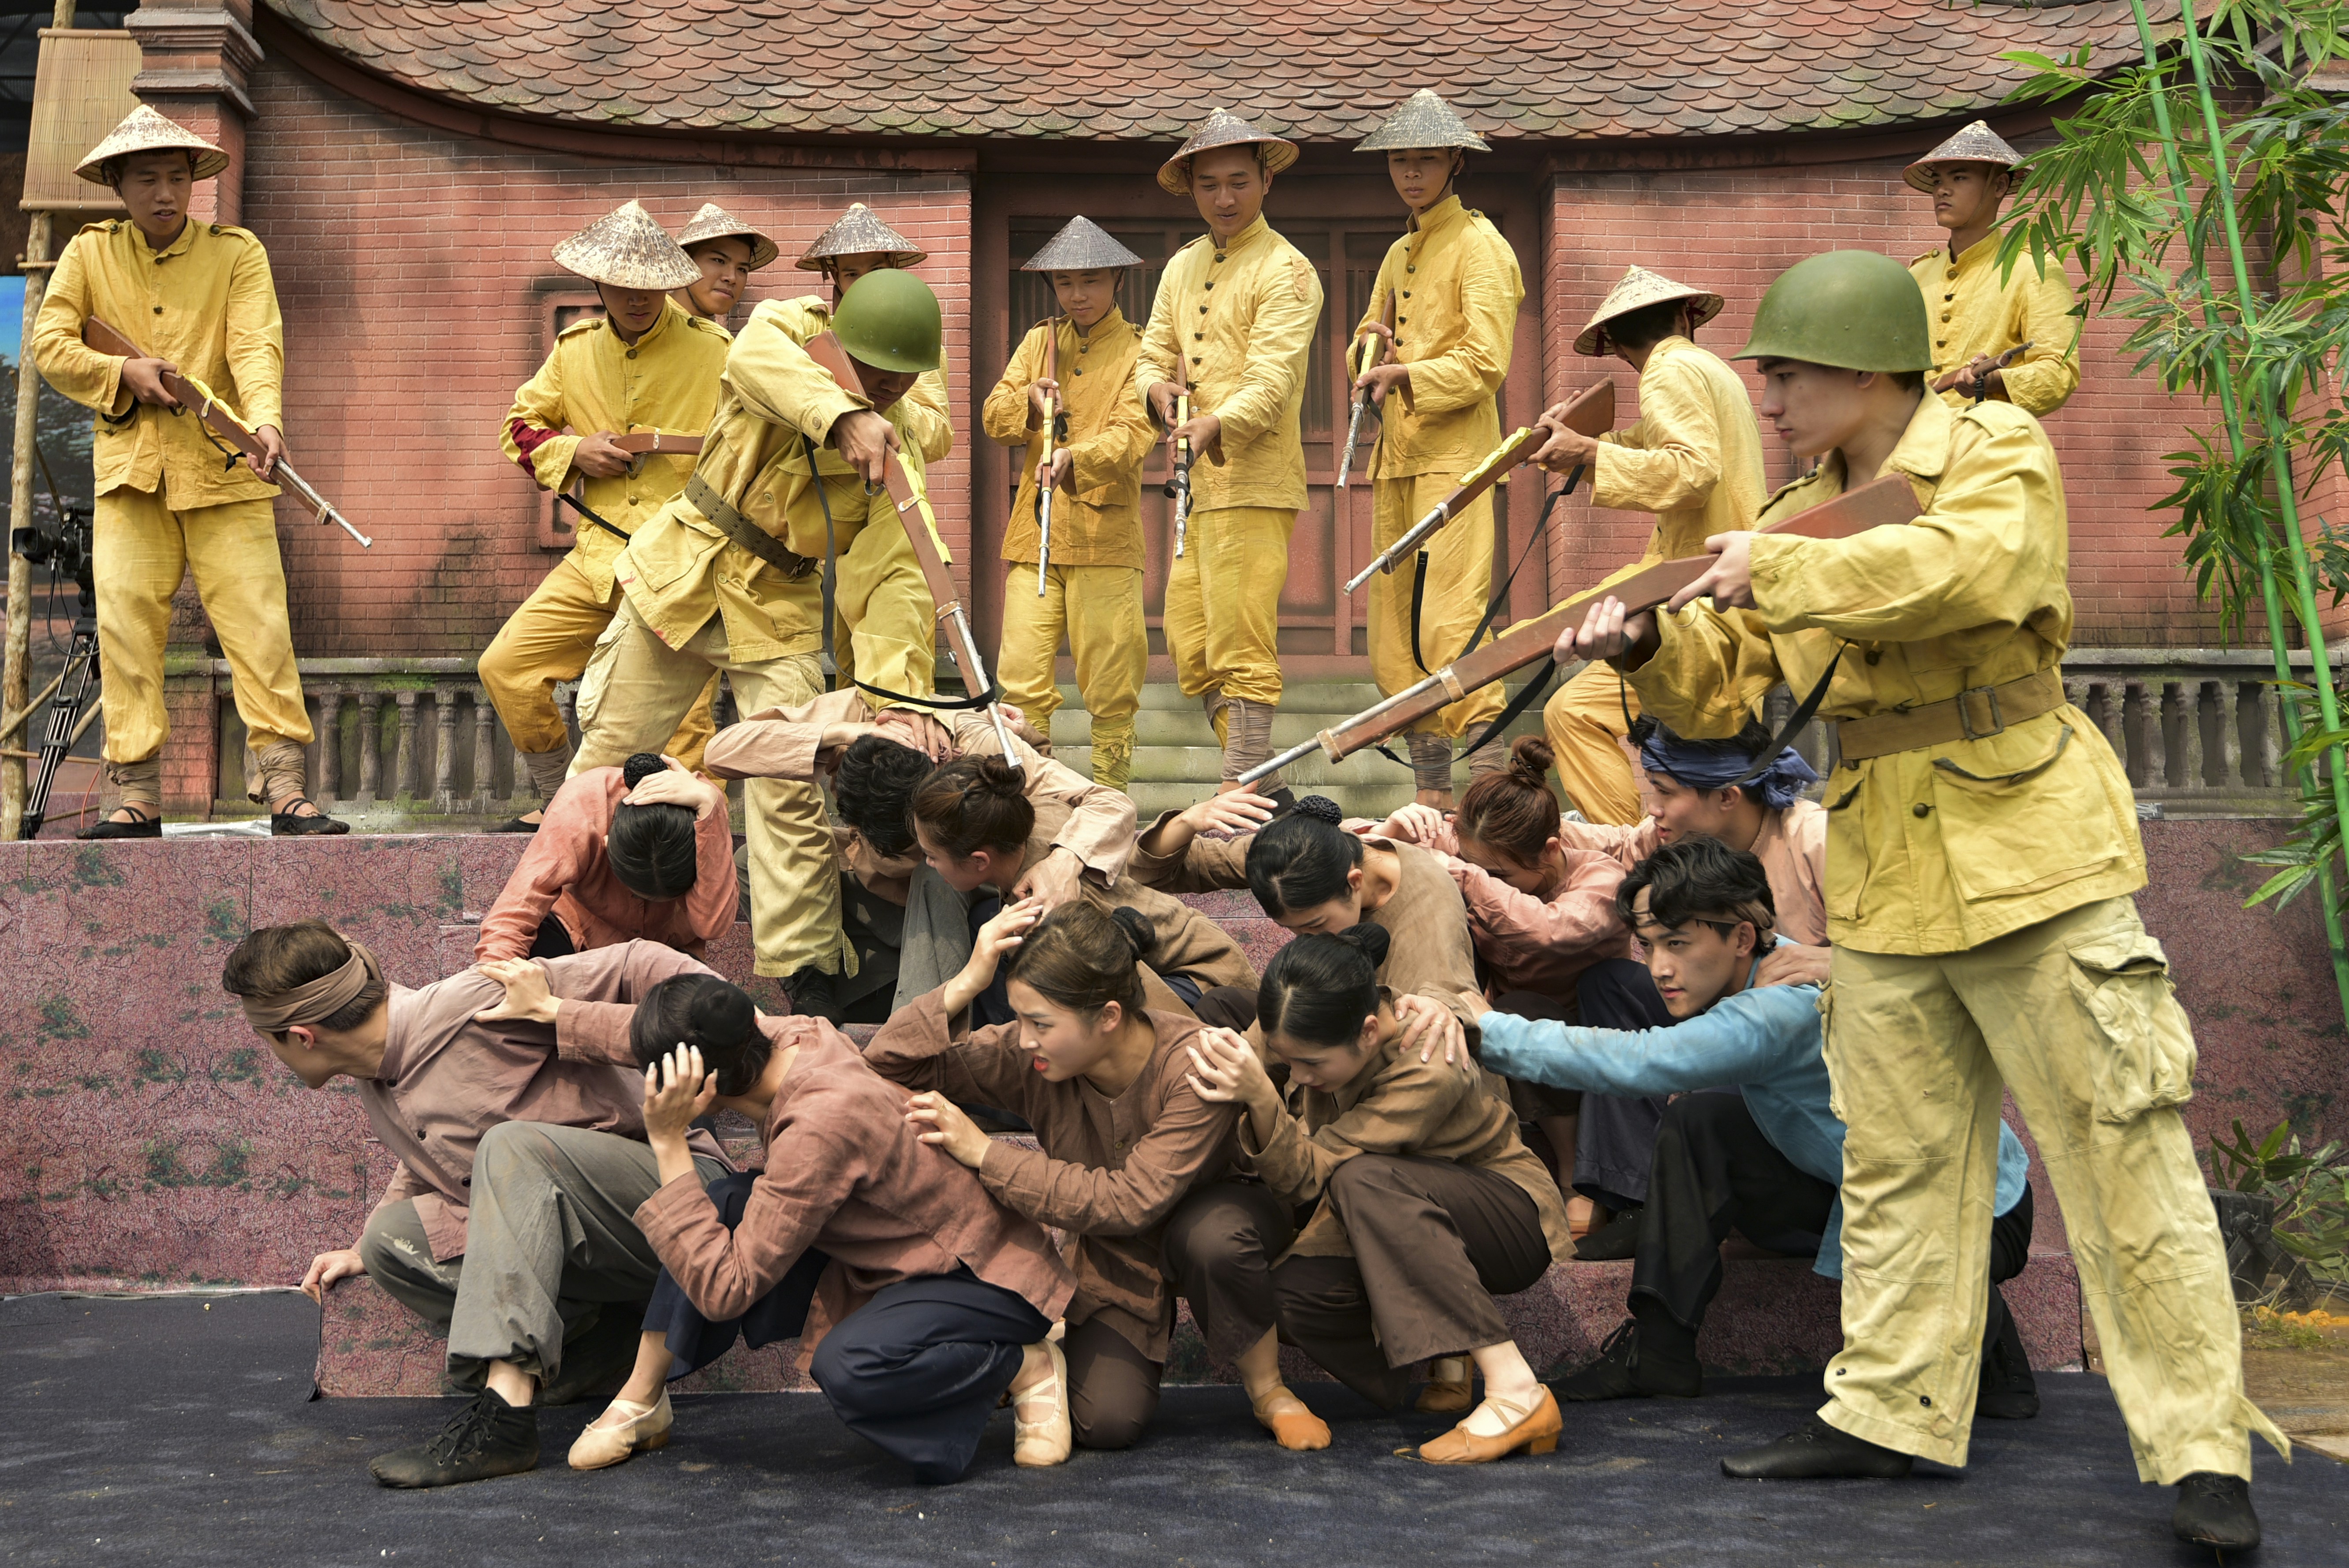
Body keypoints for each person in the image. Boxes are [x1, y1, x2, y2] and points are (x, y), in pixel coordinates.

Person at [1557, 249, 2280, 1549]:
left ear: (1867, 368)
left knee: (2121, 1150)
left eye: (1787, 373)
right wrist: (1648, 642)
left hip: (2029, 850)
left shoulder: (1991, 451)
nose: (1765, 398)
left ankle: (2198, 1448)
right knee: (1892, 1161)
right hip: (1885, 867)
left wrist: (1773, 569)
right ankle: (1887, 1412)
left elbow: (1965, 571)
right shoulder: (1794, 508)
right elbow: (1725, 690)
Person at [1478, 837, 2037, 1424]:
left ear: (1741, 937)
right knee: (1700, 1121)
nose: (1658, 967)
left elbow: (1639, 1061)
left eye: (1677, 943)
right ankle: (1658, 1355)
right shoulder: (1775, 962)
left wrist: (1481, 1030)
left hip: (1976, 1216)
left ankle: (1983, 1332)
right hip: (1857, 1189)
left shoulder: (1778, 1005)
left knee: (1711, 1118)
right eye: (1648, 945)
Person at [217, 922, 730, 1486]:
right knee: (390, 1241)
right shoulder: (378, 1072)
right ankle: (605, 1345)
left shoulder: (473, 1002)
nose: (273, 1055)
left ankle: (504, 1419)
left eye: (267, 1042)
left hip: (683, 1199)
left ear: (302, 1035)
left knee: (511, 1147)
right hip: (599, 1248)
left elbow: (637, 960)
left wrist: (744, 1024)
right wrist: (363, 1245)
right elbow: (430, 1151)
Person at [568, 269, 951, 1015]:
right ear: (840, 336)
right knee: (609, 754)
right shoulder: (785, 328)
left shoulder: (892, 447)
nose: (887, 390)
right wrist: (840, 415)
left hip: (778, 603)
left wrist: (896, 703)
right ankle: (561, 920)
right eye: (873, 371)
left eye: (903, 379)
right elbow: (753, 361)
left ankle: (807, 972)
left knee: (791, 784)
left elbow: (897, 580)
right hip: (683, 566)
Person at [570, 974, 1077, 1483]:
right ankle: (642, 1398)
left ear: (696, 1084)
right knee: (725, 1202)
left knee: (851, 1365)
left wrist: (668, 1142)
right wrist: (549, 1010)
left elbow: (726, 1289)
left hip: (983, 1275)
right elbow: (653, 1031)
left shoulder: (818, 1126)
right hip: (891, 1256)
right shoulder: (792, 1033)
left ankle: (1023, 1365)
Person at [31, 106, 342, 838]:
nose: (165, 192)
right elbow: (50, 343)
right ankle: (136, 793)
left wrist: (265, 424)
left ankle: (285, 787)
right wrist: (122, 372)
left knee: (259, 625)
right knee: (126, 628)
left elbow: (256, 346)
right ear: (118, 184)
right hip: (130, 475)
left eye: (177, 176)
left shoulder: (236, 253)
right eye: (147, 178)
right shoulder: (89, 254)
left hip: (226, 469)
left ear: (195, 180)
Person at [863, 900, 1241, 1450]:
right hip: (1115, 1261)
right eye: (1019, 1019)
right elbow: (884, 1064)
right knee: (1104, 1424)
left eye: (1039, 1023)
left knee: (1215, 1240)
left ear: (1108, 1016)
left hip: (1215, 1242)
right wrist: (967, 981)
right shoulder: (1033, 1058)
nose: (1023, 1038)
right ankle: (1051, 1346)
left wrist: (985, 1154)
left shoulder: (1192, 1064)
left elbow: (1131, 1201)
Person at [1184, 925, 1572, 1460]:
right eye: (1287, 1061)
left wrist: (1261, 1098)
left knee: (1360, 1176)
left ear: (1369, 1031)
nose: (1296, 1075)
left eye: (1312, 1064)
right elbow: (1247, 1054)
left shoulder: (1426, 1061)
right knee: (1283, 1300)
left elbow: (1309, 1174)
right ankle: (1440, 1344)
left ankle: (1516, 1391)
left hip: (1504, 1219)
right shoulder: (1308, 1015)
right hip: (1387, 1220)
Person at [485, 202, 729, 825]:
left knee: (683, 721)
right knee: (507, 668)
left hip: (677, 565)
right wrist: (575, 451)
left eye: (649, 284)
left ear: (669, 282)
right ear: (598, 283)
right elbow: (519, 427)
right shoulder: (574, 350)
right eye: (621, 285)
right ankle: (557, 802)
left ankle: (678, 839)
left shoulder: (715, 351)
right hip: (595, 558)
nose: (636, 298)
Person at [697, 687, 1136, 1022]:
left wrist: (1063, 861)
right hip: (881, 893)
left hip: (964, 892)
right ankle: (816, 983)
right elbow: (721, 752)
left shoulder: (971, 740)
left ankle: (924, 1026)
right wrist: (844, 733)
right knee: (754, 862)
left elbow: (1109, 802)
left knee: (934, 875)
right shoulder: (858, 713)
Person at [1362, 736, 1641, 1235]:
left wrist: (1467, 876)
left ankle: (1575, 1178)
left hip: (1587, 1032)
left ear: (1551, 850)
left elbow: (1548, 931)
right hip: (1502, 1018)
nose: (1489, 877)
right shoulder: (1473, 851)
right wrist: (1392, 833)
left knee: (1527, 1007)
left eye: (1501, 873)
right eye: (1476, 864)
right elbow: (1347, 852)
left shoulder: (1600, 876)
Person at [1525, 265, 1766, 827]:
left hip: (1701, 603)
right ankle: (1651, 846)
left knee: (1577, 713)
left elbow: (1691, 470)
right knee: (1598, 719)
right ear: (1685, 315)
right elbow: (1646, 446)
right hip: (1722, 590)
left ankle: (1628, 846)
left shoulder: (1666, 368)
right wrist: (1578, 444)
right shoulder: (1707, 367)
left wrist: (1587, 454)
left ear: (1612, 343)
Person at [1136, 110, 1324, 789]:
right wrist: (1155, 388)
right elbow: (1151, 349)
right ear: (1190, 187)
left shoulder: (1287, 270)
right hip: (1195, 488)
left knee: (1243, 641)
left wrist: (1218, 422)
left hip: (1254, 479)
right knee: (1191, 643)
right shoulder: (1181, 265)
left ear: (1265, 181)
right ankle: (1267, 788)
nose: (1223, 198)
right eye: (1209, 185)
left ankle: (1238, 784)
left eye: (1238, 182)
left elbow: (1273, 381)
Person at [1348, 91, 1522, 808]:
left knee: (1450, 622)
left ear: (1455, 161)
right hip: (1395, 458)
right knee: (1395, 637)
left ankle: (1493, 795)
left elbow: (1486, 363)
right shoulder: (1398, 252)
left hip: (1456, 462)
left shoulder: (1481, 246)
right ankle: (1432, 796)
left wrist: (1408, 375)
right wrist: (1368, 352)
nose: (1411, 174)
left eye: (1424, 160)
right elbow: (1370, 337)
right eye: (1399, 161)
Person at [981, 217, 1157, 789]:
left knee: (1111, 680)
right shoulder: (1039, 342)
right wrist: (1030, 403)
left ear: (1117, 281)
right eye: (1064, 282)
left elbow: (1134, 434)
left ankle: (1112, 798)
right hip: (1034, 532)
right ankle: (1031, 799)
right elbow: (993, 417)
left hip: (1106, 539)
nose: (1076, 295)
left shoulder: (1141, 351)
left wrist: (1077, 458)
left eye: (1090, 281)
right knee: (1020, 676)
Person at [905, 756, 1259, 1028]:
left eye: (932, 856)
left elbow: (1128, 1001)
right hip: (1189, 945)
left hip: (1202, 983)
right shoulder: (1034, 810)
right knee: (986, 922)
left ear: (979, 861)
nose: (929, 865)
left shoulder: (1042, 910)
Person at [1132, 791, 1484, 1042]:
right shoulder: (1301, 854)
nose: (1306, 940)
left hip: (1362, 1040)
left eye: (1315, 925)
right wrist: (1188, 820)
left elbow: (1438, 1016)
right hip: (1308, 1015)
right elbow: (1158, 870)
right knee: (1219, 1007)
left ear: (1354, 882)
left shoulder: (1428, 906)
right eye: (1292, 930)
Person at [474, 752, 737, 964]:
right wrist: (500, 979)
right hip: (577, 935)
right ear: (608, 845)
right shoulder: (582, 804)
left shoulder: (705, 808)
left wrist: (711, 807)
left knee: (694, 1006)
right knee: (519, 952)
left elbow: (712, 926)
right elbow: (519, 906)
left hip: (666, 948)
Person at [1902, 121, 2080, 415]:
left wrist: (1995, 381)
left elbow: (2059, 373)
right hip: (1914, 435)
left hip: (1990, 437)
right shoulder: (1917, 275)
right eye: (1937, 181)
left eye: (1959, 178)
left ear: (1999, 186)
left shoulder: (2033, 269)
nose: (1942, 190)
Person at [781, 202, 954, 464]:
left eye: (876, 271)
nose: (866, 284)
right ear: (837, 277)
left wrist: (879, 401)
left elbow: (939, 438)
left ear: (893, 267)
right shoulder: (813, 332)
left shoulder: (918, 343)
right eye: (852, 274)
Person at [673, 202, 776, 325]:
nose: (732, 278)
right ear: (686, 259)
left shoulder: (719, 337)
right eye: (719, 261)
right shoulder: (653, 323)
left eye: (742, 269)